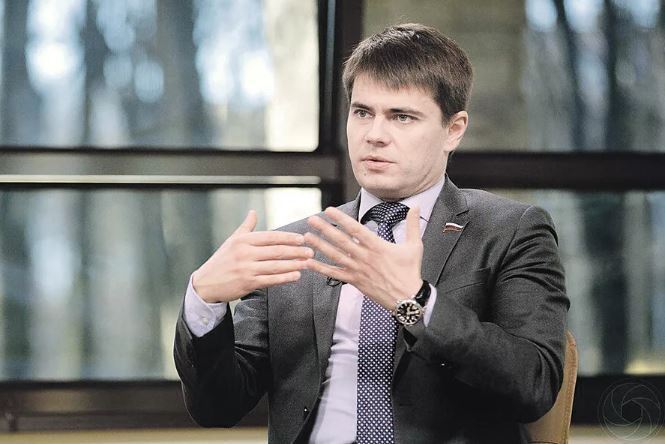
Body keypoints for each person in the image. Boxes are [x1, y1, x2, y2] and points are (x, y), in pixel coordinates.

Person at [174, 23, 569, 443]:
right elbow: (217, 407)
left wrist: (416, 303)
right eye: (362, 112)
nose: (374, 135)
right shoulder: (295, 248)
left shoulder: (511, 230)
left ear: (453, 129)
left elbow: (533, 384)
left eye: (402, 117)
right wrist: (205, 300)